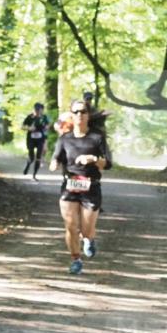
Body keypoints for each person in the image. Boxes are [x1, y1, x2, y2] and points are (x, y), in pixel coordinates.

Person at [49, 97, 111, 275]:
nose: (79, 115)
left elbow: (108, 164)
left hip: (91, 187)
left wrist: (94, 159)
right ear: (71, 115)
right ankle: (75, 259)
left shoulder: (97, 138)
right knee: (70, 225)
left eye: (83, 111)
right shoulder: (65, 139)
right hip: (70, 186)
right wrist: (54, 163)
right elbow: (56, 157)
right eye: (75, 112)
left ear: (88, 115)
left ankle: (89, 239)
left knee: (86, 229)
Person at [22, 102, 52, 180]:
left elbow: (48, 125)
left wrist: (46, 127)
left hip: (40, 139)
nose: (38, 111)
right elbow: (22, 126)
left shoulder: (44, 117)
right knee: (31, 156)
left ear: (42, 110)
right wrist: (29, 128)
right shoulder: (30, 117)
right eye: (36, 110)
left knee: (38, 157)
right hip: (30, 139)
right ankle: (28, 164)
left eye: (40, 110)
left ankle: (34, 175)